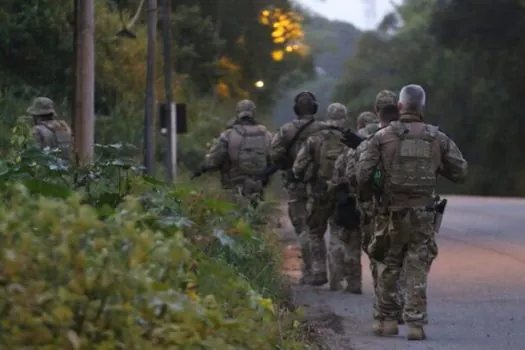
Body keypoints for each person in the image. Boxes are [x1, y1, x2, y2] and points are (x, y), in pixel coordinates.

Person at [356, 84, 468, 340]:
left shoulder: (382, 137)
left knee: (388, 262)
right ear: (422, 108)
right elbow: (460, 172)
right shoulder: (436, 138)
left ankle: (387, 322)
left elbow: (363, 174)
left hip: (390, 212)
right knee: (417, 264)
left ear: (400, 106)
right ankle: (415, 325)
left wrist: (370, 197)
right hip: (423, 214)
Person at [292, 102, 357, 286]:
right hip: (344, 193)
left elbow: (298, 167)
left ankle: (319, 271)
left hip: (319, 192)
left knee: (315, 232)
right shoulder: (351, 139)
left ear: (327, 116)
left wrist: (304, 179)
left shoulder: (315, 139)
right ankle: (338, 275)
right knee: (338, 232)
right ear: (345, 117)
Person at [269, 91, 328, 284]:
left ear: (296, 109)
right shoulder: (324, 129)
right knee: (317, 228)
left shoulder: (286, 130)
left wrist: (288, 162)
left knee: (302, 227)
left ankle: (311, 270)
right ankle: (322, 269)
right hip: (320, 185)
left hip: (296, 185)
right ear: (315, 107)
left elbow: (275, 154)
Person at [192, 99, 272, 205]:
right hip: (258, 185)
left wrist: (201, 169)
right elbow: (274, 158)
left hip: (235, 184)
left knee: (237, 214)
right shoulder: (266, 134)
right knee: (256, 214)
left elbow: (214, 160)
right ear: (253, 113)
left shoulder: (228, 135)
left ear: (238, 113)